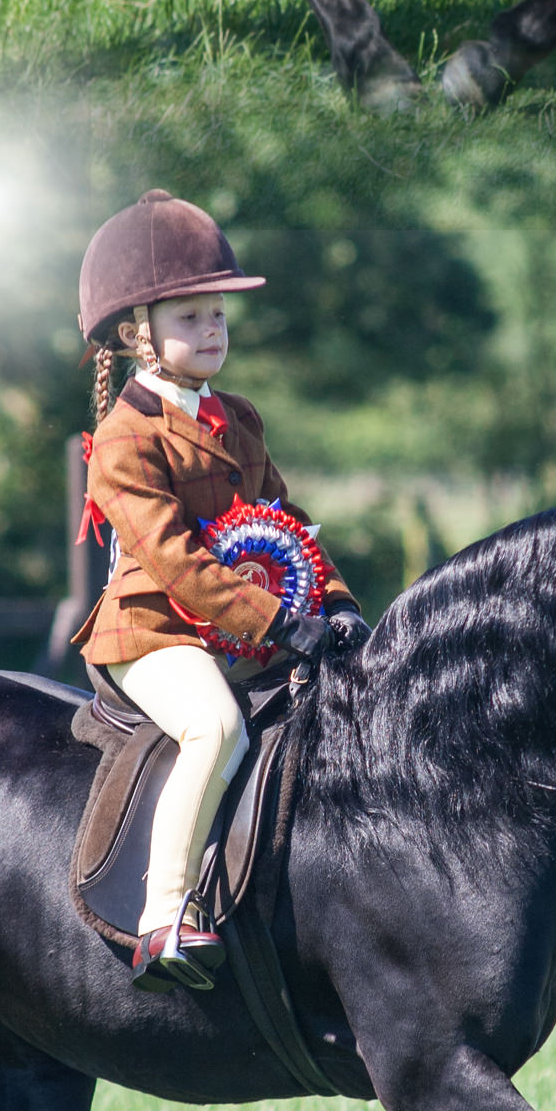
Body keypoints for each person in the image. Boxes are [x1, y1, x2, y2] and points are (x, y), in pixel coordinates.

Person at [75, 190, 369, 991]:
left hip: (238, 629)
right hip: (152, 634)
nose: (212, 332)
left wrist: (334, 603)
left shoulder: (238, 418)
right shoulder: (123, 439)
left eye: (219, 318)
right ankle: (163, 918)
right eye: (192, 318)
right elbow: (174, 561)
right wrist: (278, 621)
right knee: (215, 727)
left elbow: (287, 522)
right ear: (138, 335)